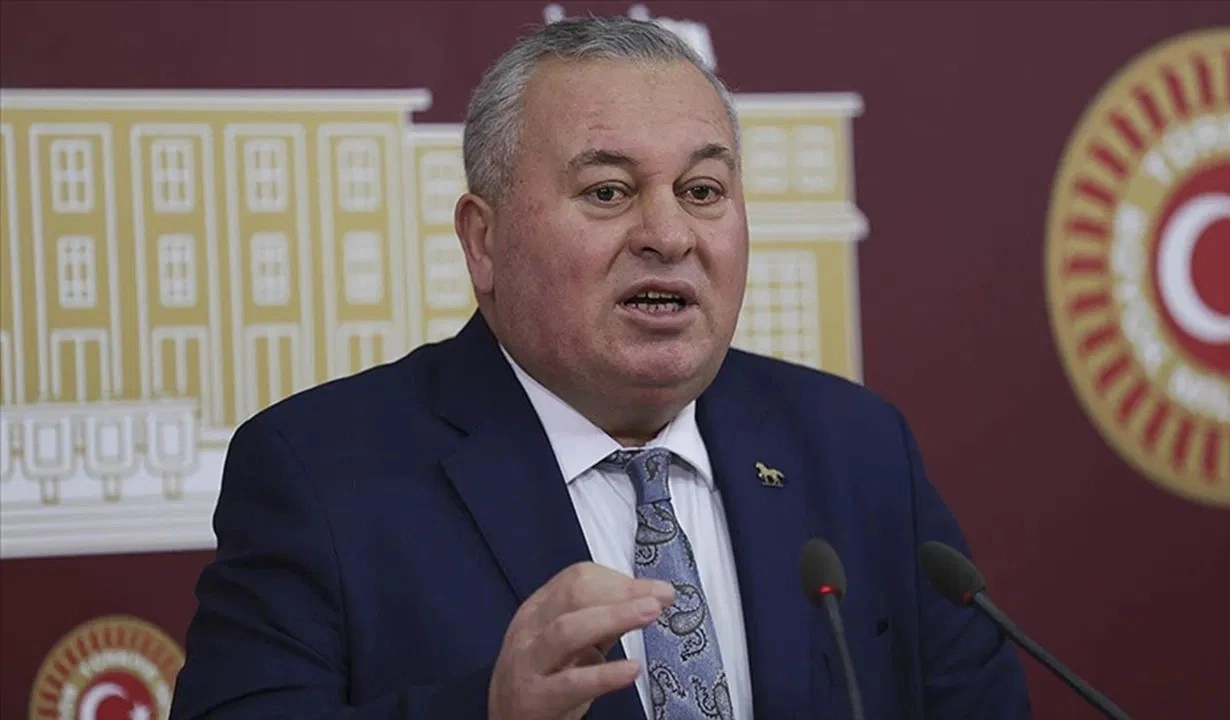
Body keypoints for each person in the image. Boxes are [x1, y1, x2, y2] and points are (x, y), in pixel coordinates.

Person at [171, 15, 1030, 720]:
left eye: (701, 191)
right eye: (609, 192)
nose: (670, 235)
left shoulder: (856, 447)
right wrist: (490, 713)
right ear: (484, 240)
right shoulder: (320, 473)